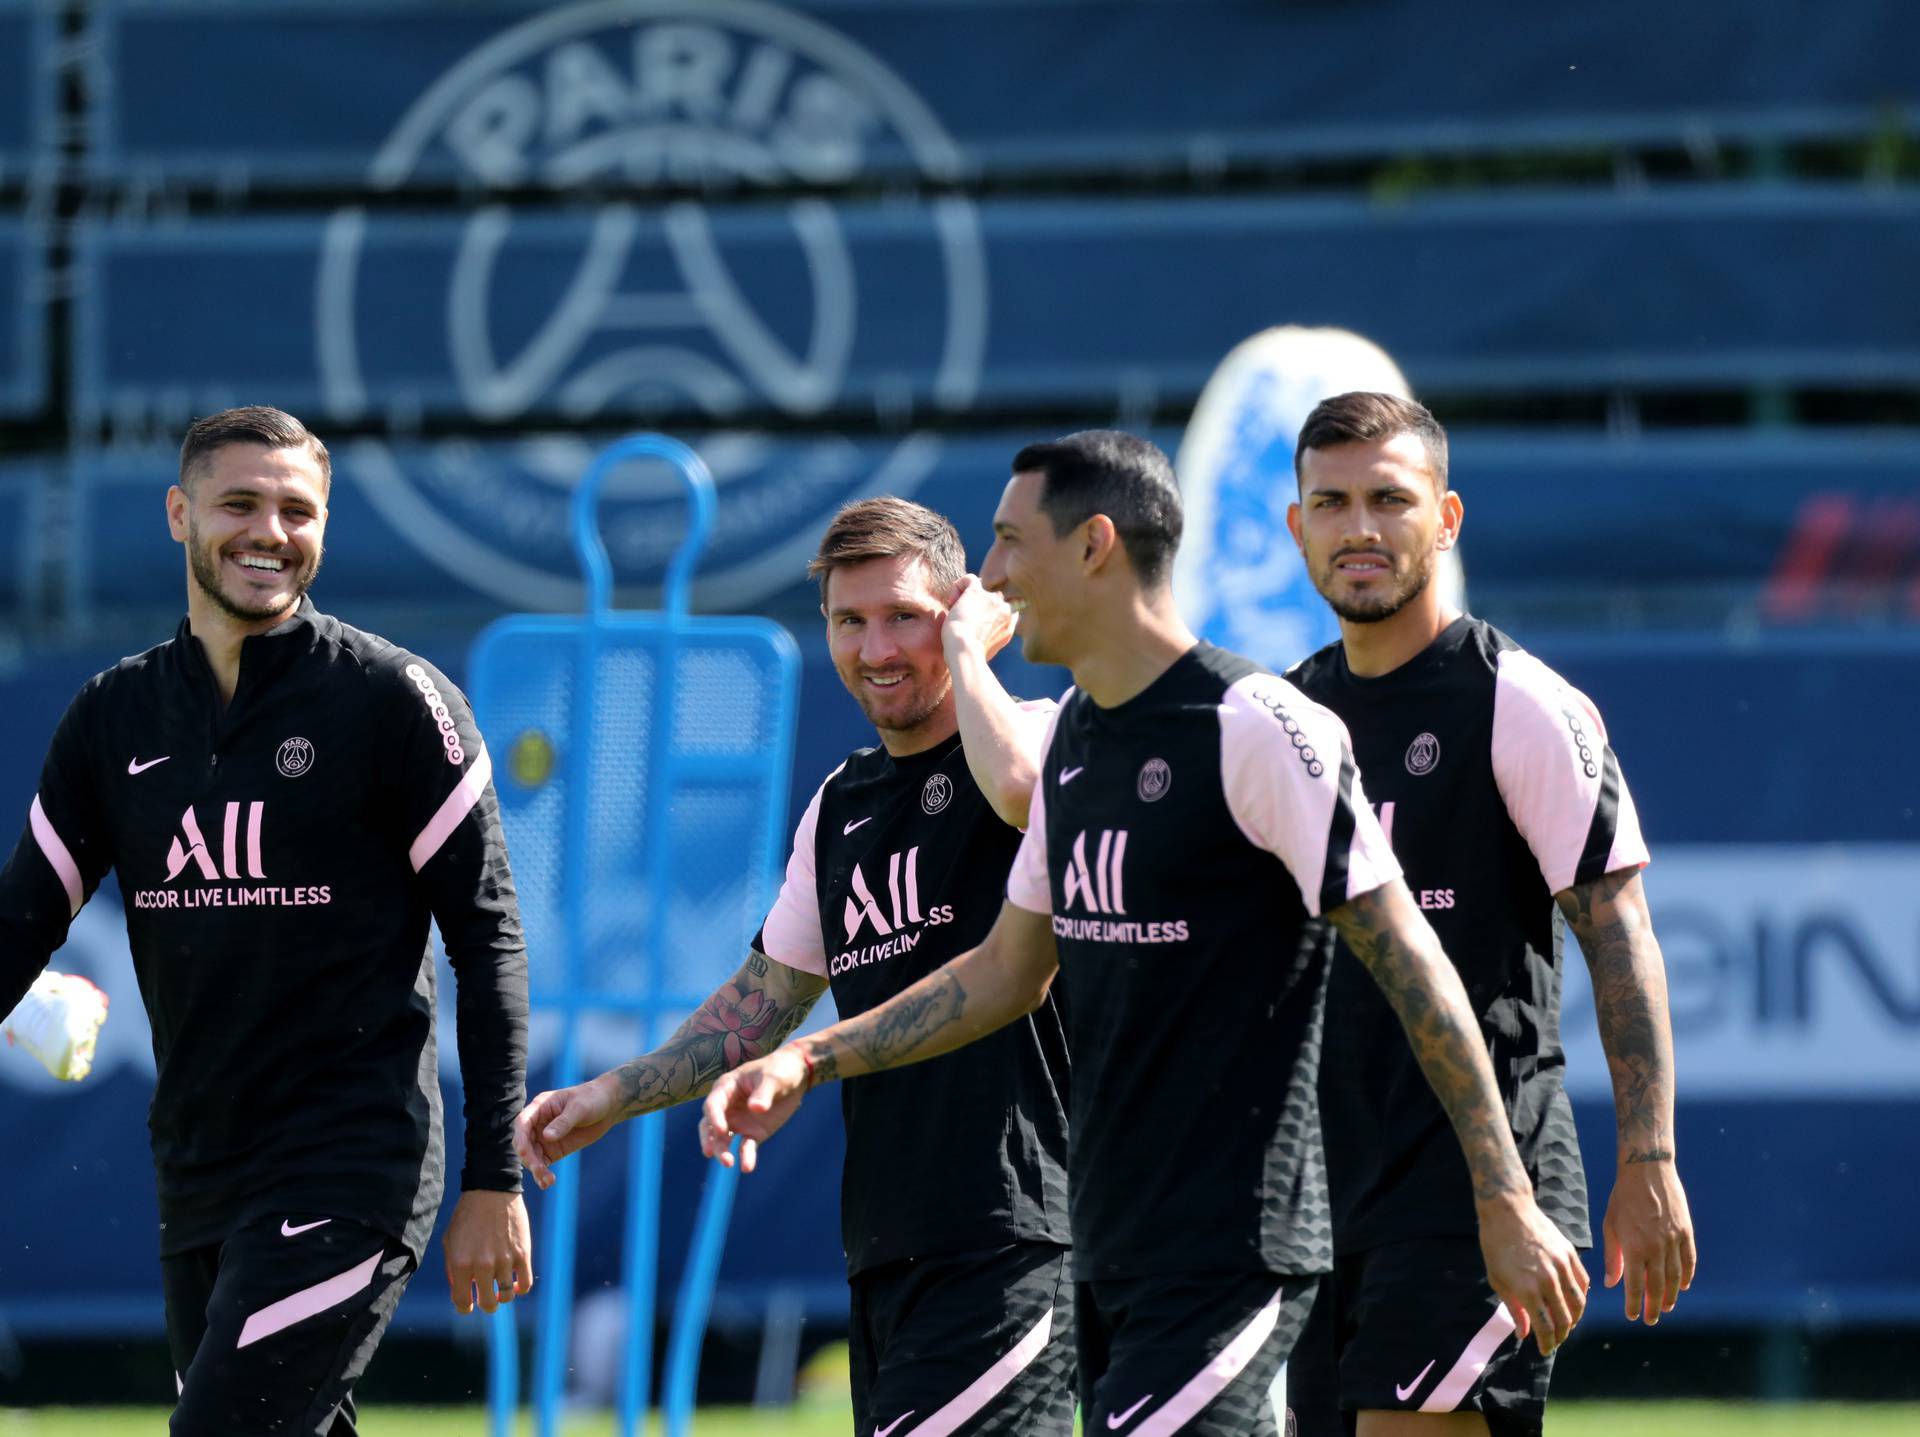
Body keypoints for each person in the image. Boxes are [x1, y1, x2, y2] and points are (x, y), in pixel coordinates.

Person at [701, 431, 1590, 1437]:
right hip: (1115, 1254)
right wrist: (809, 1056)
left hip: (1234, 1251)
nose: (989, 579)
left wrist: (1504, 1194)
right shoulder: (1082, 738)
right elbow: (1001, 973)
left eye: (1007, 543)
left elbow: (1416, 967)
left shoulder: (1254, 720)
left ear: (1093, 547)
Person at [0, 407, 532, 1434]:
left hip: (352, 1161)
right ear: (178, 513)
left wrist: (493, 1179)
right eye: (239, 503)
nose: (269, 532)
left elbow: (487, 938)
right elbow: (21, 924)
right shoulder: (114, 718)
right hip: (198, 1167)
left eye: (298, 510)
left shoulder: (395, 700)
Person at [515, 498, 1077, 1436]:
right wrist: (612, 1094)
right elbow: (761, 1002)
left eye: (905, 615)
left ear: (966, 609)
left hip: (1016, 1227)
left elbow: (1021, 792)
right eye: (849, 621)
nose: (877, 649)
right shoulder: (842, 804)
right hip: (888, 1242)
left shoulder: (1045, 737)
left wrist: (975, 656)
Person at [1281, 392, 1698, 1437]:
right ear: (1296, 527)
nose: (1360, 529)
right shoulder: (1282, 719)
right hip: (1312, 1201)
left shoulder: (1520, 703)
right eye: (1331, 504)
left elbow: (1619, 934)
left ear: (1448, 518)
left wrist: (1648, 1159)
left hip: (1477, 1188)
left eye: (1390, 499)